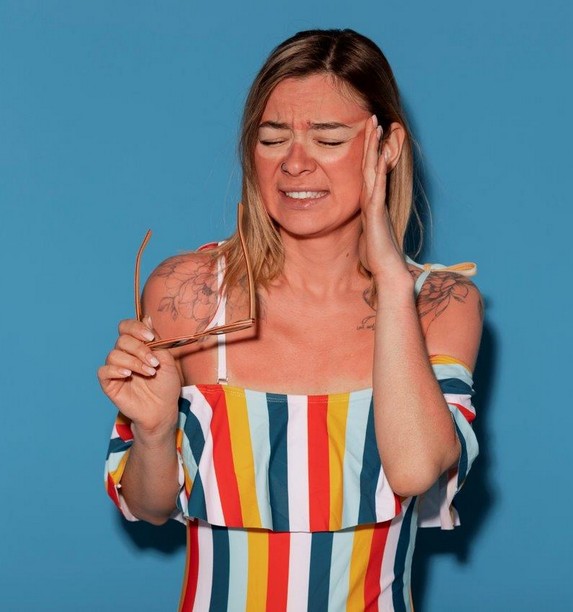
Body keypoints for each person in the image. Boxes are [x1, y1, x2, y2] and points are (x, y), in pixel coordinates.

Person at [99, 28, 482, 611]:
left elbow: (413, 471)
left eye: (328, 139)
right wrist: (153, 432)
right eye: (272, 138)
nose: (295, 164)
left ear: (387, 147)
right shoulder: (189, 294)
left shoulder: (440, 302)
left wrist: (391, 281)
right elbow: (150, 507)